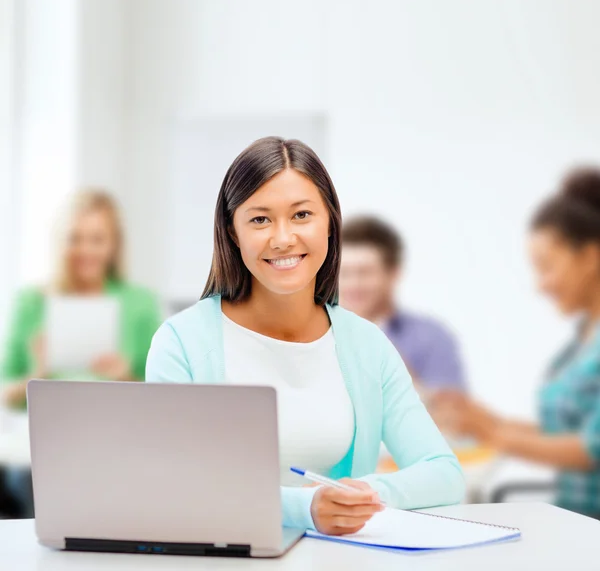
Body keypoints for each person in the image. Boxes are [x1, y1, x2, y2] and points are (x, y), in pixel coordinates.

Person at [146, 137, 464, 536]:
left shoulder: (366, 345)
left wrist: (365, 492)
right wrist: (304, 508)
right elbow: (176, 484)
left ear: (330, 222)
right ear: (233, 232)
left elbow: (444, 473)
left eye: (301, 215)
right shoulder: (181, 342)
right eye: (260, 219)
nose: (283, 238)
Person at [431, 167, 600, 520]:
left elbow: (590, 449)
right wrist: (480, 418)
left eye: (547, 267)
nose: (541, 285)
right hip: (577, 524)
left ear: (590, 255)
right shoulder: (581, 341)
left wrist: (493, 435)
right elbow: (562, 432)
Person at [0, 189, 162, 516]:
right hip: (41, 446)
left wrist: (125, 377)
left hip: (117, 441)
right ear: (60, 242)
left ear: (113, 244)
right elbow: (5, 393)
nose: (85, 250)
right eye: (75, 238)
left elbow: (164, 398)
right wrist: (37, 374)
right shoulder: (31, 302)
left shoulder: (139, 303)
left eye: (97, 239)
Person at [340, 216, 467, 393]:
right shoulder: (314, 335)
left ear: (393, 274)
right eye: (344, 273)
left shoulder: (430, 338)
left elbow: (452, 415)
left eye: (365, 273)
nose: (353, 284)